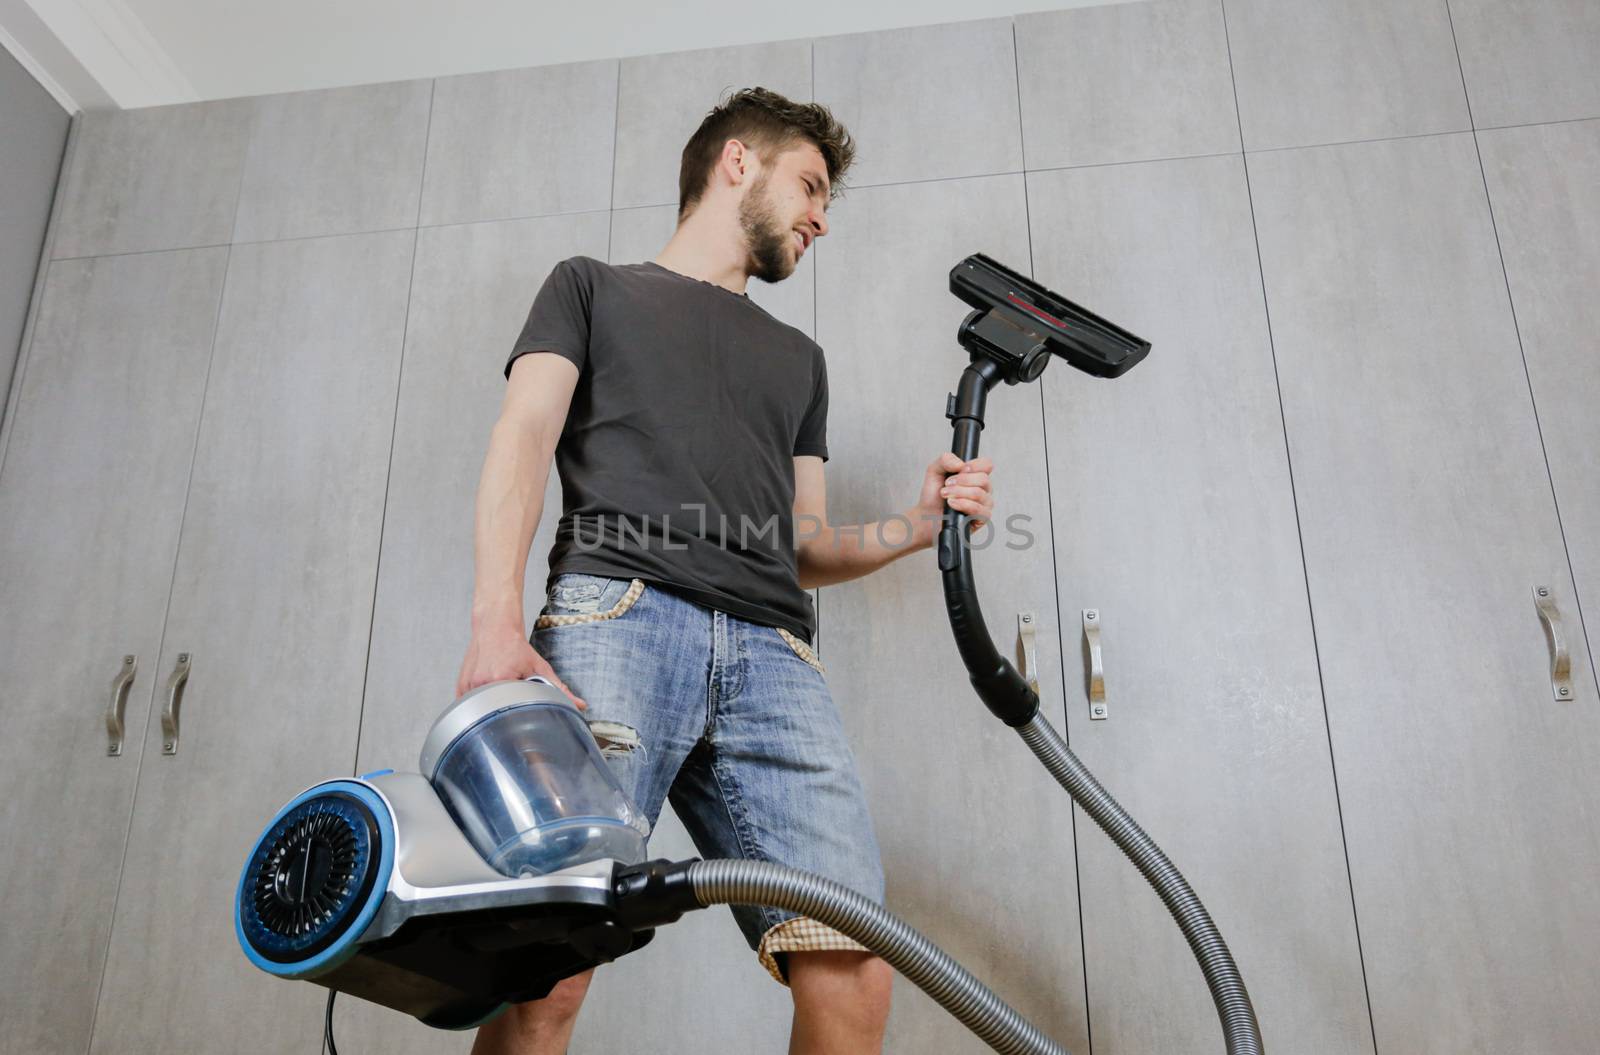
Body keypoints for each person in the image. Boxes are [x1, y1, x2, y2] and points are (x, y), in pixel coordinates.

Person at [457, 87, 995, 1055]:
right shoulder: (590, 287)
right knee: (550, 961)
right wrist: (493, 619)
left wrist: (918, 525)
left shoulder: (800, 359)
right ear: (736, 162)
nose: (821, 215)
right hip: (617, 619)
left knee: (855, 968)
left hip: (774, 660)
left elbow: (804, 544)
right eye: (811, 184)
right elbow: (524, 432)